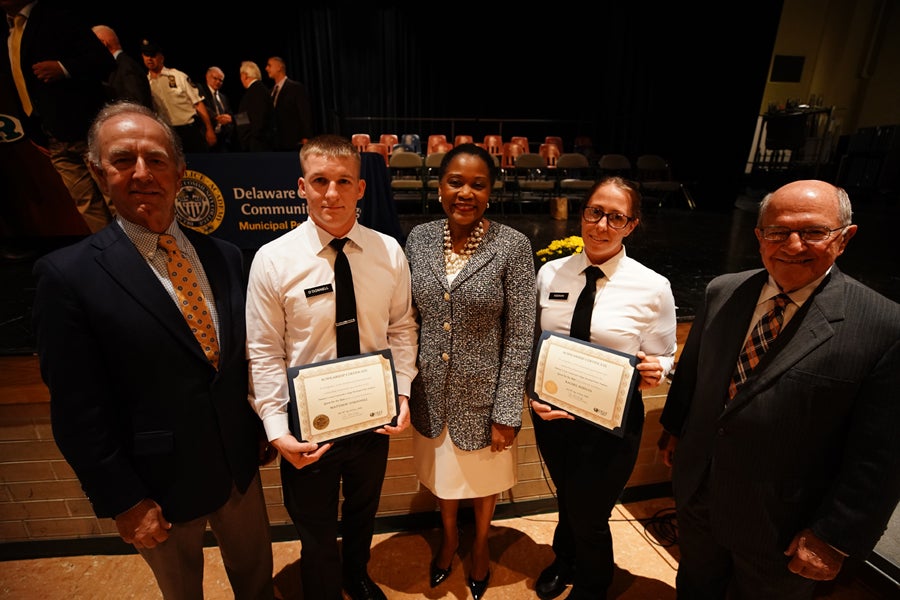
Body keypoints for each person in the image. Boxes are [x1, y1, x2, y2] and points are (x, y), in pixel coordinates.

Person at [31, 101, 275, 599]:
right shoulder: (68, 276)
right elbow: (77, 410)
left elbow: (235, 363)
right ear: (99, 174)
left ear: (180, 171)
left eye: (156, 159)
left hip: (239, 471)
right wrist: (124, 500)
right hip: (157, 488)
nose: (142, 173)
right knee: (182, 593)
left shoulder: (226, 256)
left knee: (256, 582)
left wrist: (263, 429)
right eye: (123, 160)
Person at [659, 180, 900, 599]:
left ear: (845, 238)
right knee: (694, 587)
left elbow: (882, 455)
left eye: (813, 232)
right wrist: (674, 430)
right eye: (778, 231)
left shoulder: (884, 327)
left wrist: (835, 536)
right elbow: (696, 374)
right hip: (699, 495)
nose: (792, 244)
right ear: (759, 237)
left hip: (783, 525)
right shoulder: (723, 291)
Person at [245, 134, 418, 600]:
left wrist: (402, 392)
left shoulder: (389, 253)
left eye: (344, 181)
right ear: (302, 186)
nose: (332, 193)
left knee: (364, 509)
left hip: (374, 414)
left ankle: (356, 574)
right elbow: (263, 351)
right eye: (320, 181)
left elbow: (401, 328)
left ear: (361, 189)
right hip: (308, 423)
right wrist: (276, 428)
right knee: (314, 522)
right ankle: (321, 587)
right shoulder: (273, 261)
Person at [529, 177, 677, 600]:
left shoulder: (652, 286)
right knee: (568, 497)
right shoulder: (551, 273)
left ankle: (594, 583)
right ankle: (565, 560)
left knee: (591, 511)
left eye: (616, 217)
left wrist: (659, 368)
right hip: (553, 416)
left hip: (612, 423)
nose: (602, 225)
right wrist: (533, 396)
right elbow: (534, 342)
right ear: (582, 214)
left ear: (631, 225)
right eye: (595, 212)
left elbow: (664, 355)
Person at [403, 143, 536, 600]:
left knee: (483, 483)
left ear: (490, 192)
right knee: (442, 475)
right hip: (430, 391)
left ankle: (479, 542)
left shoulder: (513, 247)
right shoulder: (417, 239)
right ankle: (450, 537)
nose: (465, 192)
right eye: (455, 182)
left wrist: (507, 409)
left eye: (477, 185)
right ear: (439, 187)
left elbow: (520, 335)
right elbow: (408, 319)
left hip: (484, 397)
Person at [2, 0, 115, 233]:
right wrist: (35, 131)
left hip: (87, 129)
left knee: (115, 198)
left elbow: (103, 61)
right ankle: (114, 257)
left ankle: (145, 257)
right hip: (52, 136)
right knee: (85, 204)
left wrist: (64, 68)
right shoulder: (10, 30)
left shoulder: (56, 16)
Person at [140, 38, 215, 153]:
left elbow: (198, 103)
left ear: (161, 57)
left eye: (153, 55)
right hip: (166, 133)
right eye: (146, 55)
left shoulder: (179, 76)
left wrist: (209, 129)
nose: (149, 58)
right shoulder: (145, 83)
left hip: (189, 131)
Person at [91, 24, 152, 109]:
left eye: (91, 45)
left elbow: (136, 105)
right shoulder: (119, 65)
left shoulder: (126, 66)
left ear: (103, 43)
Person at [265, 55, 314, 151]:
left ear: (279, 67)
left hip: (293, 142)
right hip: (275, 143)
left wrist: (306, 136)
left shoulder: (295, 88)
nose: (266, 68)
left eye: (269, 65)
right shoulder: (270, 92)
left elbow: (304, 113)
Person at [236, 60, 274, 152]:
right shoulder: (259, 89)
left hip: (256, 145)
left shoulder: (256, 91)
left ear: (245, 75)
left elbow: (257, 119)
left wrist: (250, 141)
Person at [199, 65, 235, 152]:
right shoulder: (199, 90)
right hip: (205, 137)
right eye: (215, 78)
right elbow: (201, 107)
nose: (218, 82)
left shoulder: (223, 97)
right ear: (207, 77)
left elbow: (229, 113)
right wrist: (216, 117)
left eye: (221, 80)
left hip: (223, 140)